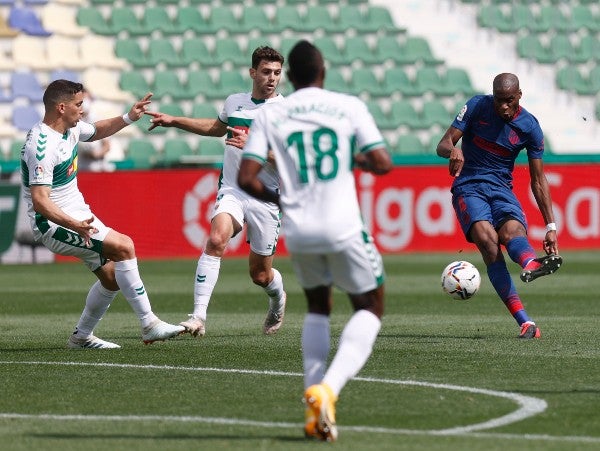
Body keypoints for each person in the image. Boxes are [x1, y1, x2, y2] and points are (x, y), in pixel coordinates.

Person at [238, 40, 393, 442]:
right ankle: (329, 389)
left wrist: (281, 198)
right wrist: (350, 159)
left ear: (289, 77)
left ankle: (313, 400)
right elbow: (382, 163)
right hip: (342, 224)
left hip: (300, 228)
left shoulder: (272, 115)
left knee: (317, 307)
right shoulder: (348, 105)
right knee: (370, 305)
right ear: (323, 72)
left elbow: (245, 177)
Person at [20, 79, 185, 349]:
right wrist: (74, 223)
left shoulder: (69, 129)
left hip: (77, 214)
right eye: (79, 104)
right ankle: (149, 323)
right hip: (52, 223)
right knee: (124, 246)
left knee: (111, 278)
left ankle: (81, 337)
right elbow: (40, 201)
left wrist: (129, 117)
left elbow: (96, 131)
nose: (83, 110)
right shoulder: (41, 145)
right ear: (62, 107)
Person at [145, 46, 287, 338]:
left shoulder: (285, 112)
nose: (272, 78)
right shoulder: (235, 102)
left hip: (266, 195)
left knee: (260, 275)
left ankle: (277, 298)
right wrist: (175, 120)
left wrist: (254, 148)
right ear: (252, 73)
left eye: (276, 72)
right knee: (216, 239)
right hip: (234, 189)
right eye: (266, 72)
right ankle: (198, 317)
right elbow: (216, 128)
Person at [436, 72, 562, 339]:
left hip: (502, 189)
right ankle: (525, 321)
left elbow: (538, 179)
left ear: (519, 96)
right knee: (489, 242)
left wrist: (551, 226)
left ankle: (531, 263)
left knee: (513, 232)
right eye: (499, 101)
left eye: (508, 101)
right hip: (468, 186)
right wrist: (454, 150)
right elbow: (443, 144)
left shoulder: (529, 127)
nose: (503, 106)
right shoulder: (477, 106)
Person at [77, 89, 116, 172]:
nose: (85, 102)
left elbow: (107, 145)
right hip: (80, 167)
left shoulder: (98, 119)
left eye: (86, 99)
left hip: (98, 166)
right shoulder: (72, 122)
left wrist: (96, 154)